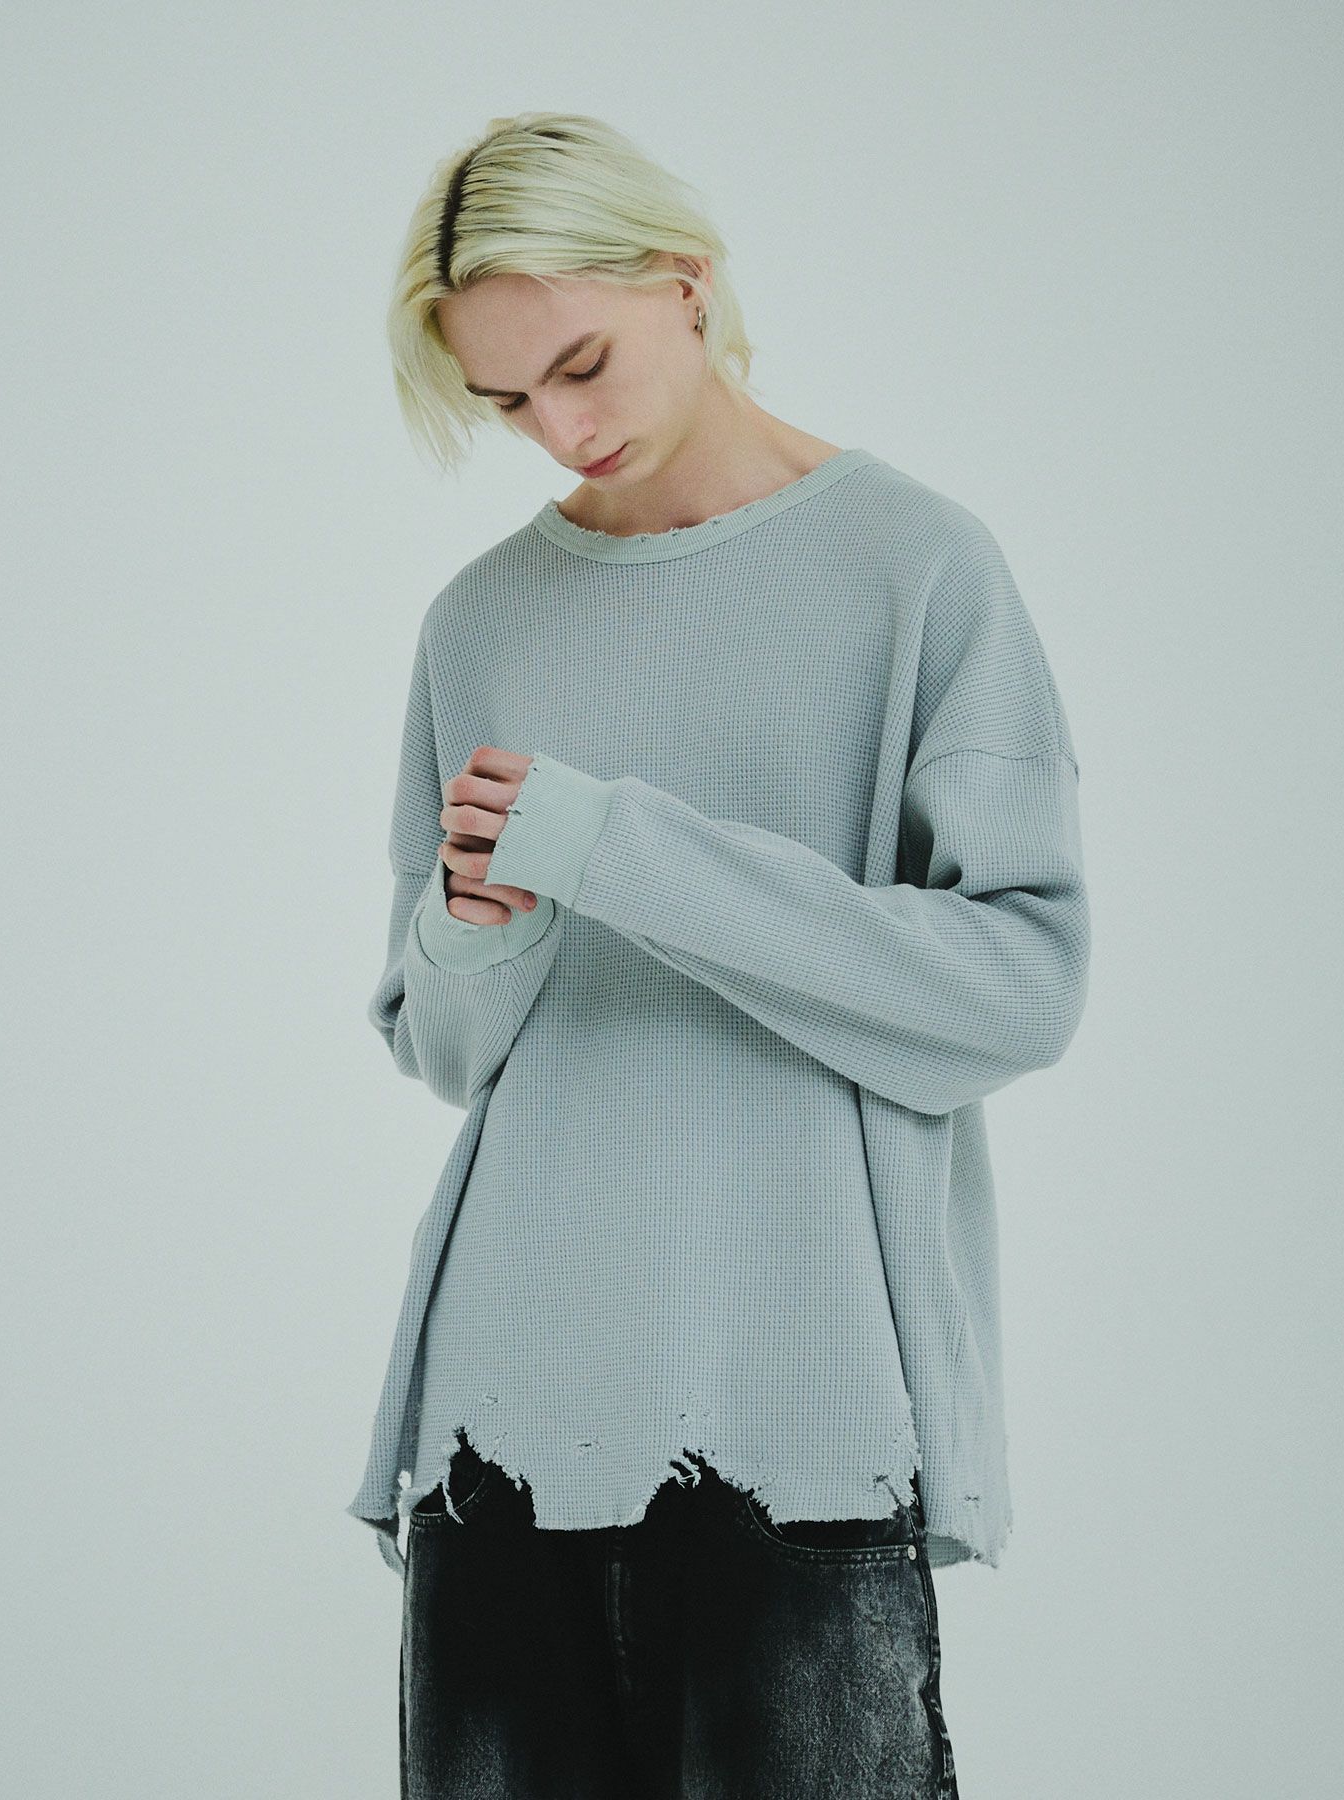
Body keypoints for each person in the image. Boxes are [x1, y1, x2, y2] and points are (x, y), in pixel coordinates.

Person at [347, 110, 1091, 1800]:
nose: (562, 429)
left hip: (801, 1423)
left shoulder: (914, 569)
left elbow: (1021, 988)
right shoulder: (480, 620)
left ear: (685, 280)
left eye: (582, 364)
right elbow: (441, 1049)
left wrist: (624, 851)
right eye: (508, 401)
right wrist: (475, 935)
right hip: (502, 1425)